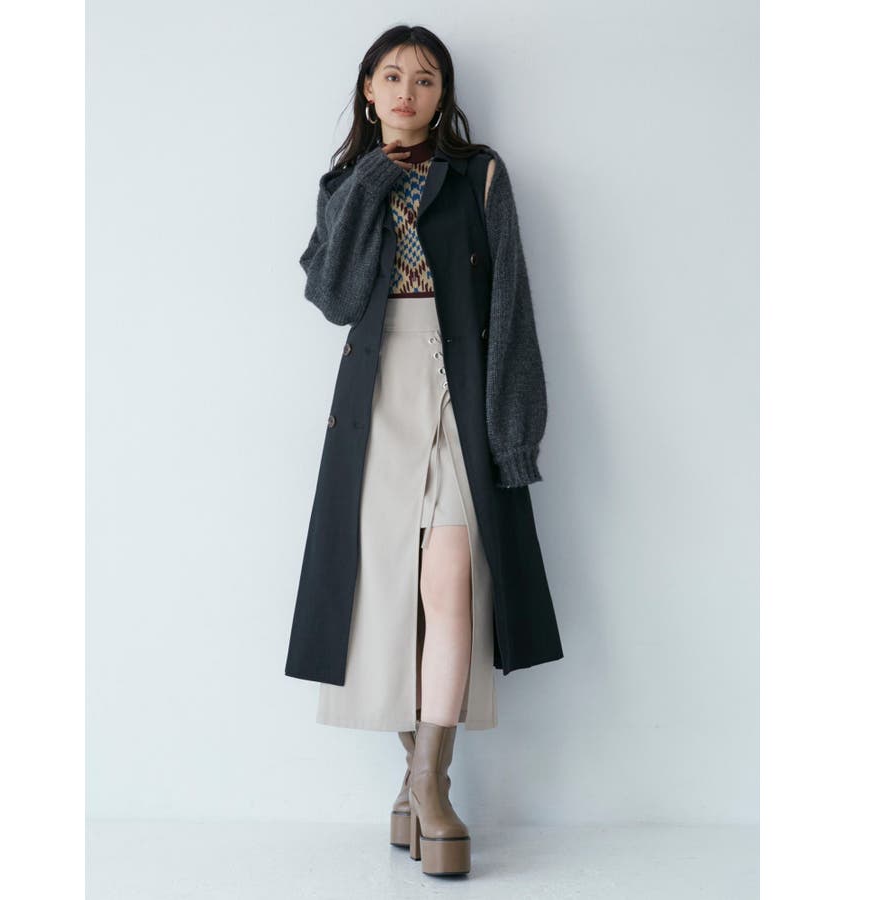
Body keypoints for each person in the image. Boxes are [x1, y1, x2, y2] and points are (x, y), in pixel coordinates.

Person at [285, 24, 563, 877]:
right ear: (368, 89)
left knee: (451, 580)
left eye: (426, 78)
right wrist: (372, 178)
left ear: (444, 96)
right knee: (385, 594)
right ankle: (419, 781)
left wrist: (514, 430)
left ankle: (428, 787)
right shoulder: (346, 183)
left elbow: (511, 304)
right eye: (393, 76)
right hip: (376, 392)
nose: (408, 91)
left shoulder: (480, 174)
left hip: (462, 384)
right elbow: (333, 297)